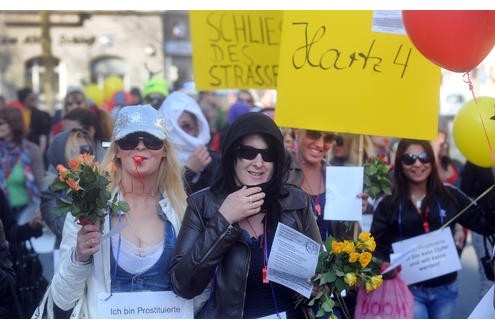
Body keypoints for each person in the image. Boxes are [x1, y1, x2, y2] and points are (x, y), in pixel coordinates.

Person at [37, 104, 190, 318]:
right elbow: (62, 298)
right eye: (129, 140)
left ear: (164, 150)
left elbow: (196, 296)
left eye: (152, 140)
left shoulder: (183, 211)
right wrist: (79, 257)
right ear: (116, 149)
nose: (140, 147)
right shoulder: (89, 208)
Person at [169, 112, 322, 318]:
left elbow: (320, 273)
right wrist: (223, 219)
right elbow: (183, 285)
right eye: (248, 152)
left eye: (268, 155)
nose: (258, 163)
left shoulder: (296, 201)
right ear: (233, 155)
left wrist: (319, 285)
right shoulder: (203, 204)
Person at [370, 138, 495, 319]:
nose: (418, 163)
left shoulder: (449, 194)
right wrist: (384, 265)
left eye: (424, 157)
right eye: (410, 158)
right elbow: (375, 245)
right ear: (400, 163)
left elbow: (485, 223)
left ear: (432, 159)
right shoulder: (388, 202)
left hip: (446, 290)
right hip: (408, 290)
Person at [42, 128, 96, 250]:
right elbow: (64, 230)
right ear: (63, 156)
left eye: (88, 150)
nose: (86, 155)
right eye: (80, 150)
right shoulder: (52, 194)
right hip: (70, 258)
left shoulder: (99, 185)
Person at [159, 91, 221, 195]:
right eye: (185, 126)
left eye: (194, 125)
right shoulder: (158, 160)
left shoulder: (214, 160)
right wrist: (189, 172)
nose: (189, 133)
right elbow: (163, 200)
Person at [16, 88, 51, 157]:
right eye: (31, 99)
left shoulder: (40, 114)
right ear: (23, 99)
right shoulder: (17, 114)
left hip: (36, 149)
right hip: (21, 151)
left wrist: (40, 153)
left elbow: (43, 135)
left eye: (34, 98)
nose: (34, 101)